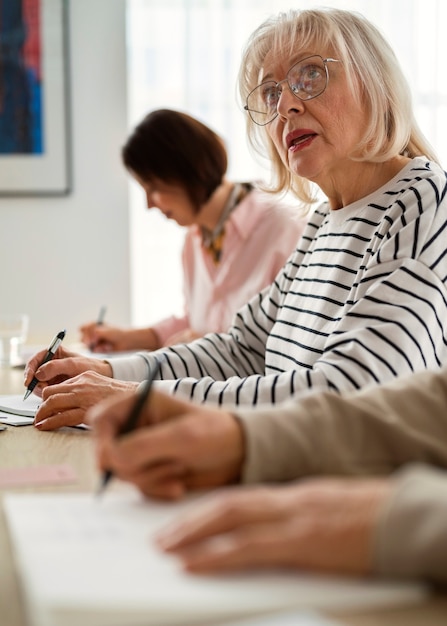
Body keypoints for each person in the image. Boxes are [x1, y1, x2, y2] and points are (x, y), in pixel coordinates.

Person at [25, 7, 447, 431]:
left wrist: (141, 398)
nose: (285, 106)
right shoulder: (323, 223)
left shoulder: (422, 200)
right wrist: (105, 371)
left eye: (310, 76)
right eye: (270, 93)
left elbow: (353, 392)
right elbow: (242, 350)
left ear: (375, 83)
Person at [80, 108, 305, 352]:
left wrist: (207, 347)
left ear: (189, 171)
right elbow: (195, 322)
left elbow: (292, 343)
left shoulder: (283, 227)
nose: (149, 204)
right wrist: (127, 338)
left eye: (153, 187)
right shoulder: (194, 240)